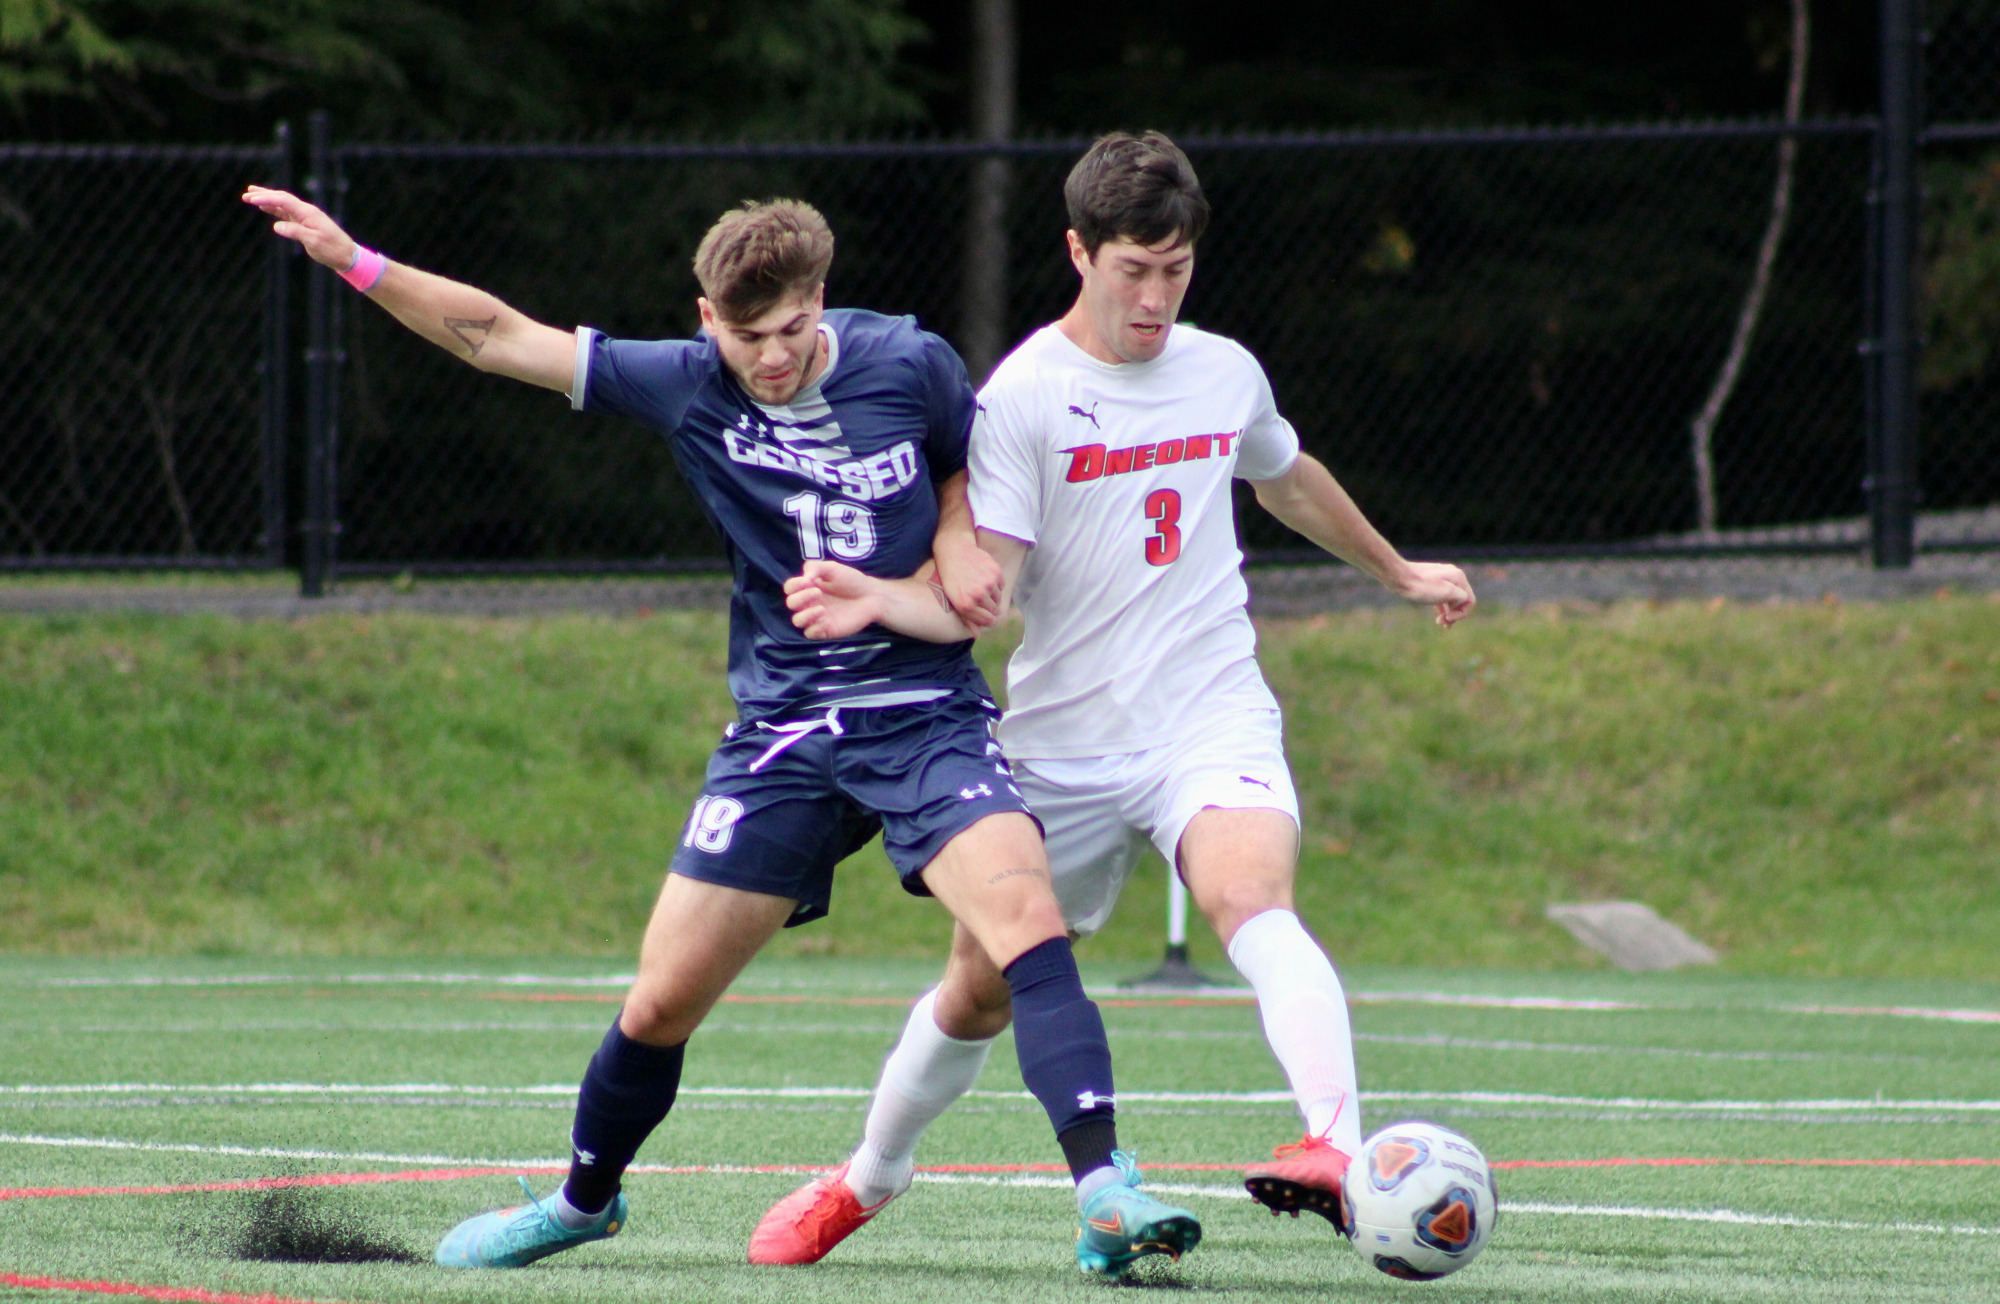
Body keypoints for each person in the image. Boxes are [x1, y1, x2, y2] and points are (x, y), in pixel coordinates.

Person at [240, 184, 1202, 1279]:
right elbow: (501, 336)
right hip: (785, 730)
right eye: (749, 337)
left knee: (1027, 920)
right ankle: (581, 1199)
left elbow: (957, 469)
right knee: (658, 1000)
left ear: (820, 300)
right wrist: (355, 259)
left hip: (922, 710)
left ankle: (1105, 1189)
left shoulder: (908, 359)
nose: (775, 356)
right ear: (707, 320)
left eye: (793, 329)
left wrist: (959, 543)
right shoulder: (689, 386)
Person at [755, 130, 1476, 1263]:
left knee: (1253, 899)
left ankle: (1330, 1145)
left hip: (1206, 711)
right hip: (1061, 739)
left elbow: (1283, 474)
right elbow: (976, 593)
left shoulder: (1223, 370)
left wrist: (1396, 569)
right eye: (1131, 269)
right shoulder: (1025, 398)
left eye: (1174, 271)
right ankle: (867, 1175)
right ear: (1077, 252)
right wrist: (879, 600)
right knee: (977, 986)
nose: (1153, 297)